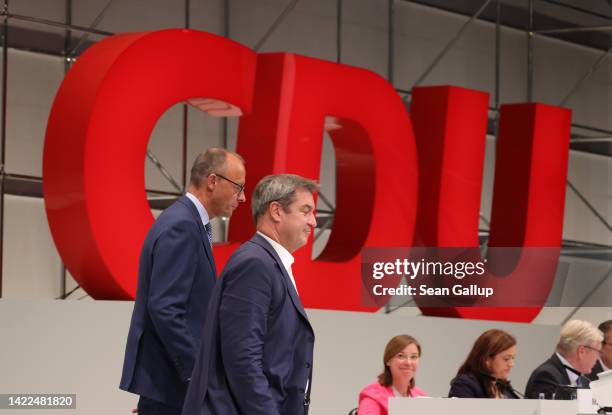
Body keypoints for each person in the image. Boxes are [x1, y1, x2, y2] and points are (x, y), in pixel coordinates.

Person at [120, 148, 246, 415]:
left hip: (171, 389)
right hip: (174, 388)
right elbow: (165, 308)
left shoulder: (188, 222)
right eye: (238, 187)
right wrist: (197, 374)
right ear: (212, 181)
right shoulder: (182, 225)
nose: (242, 198)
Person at [182, 174, 318, 415]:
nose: (313, 222)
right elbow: (243, 359)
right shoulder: (255, 264)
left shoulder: (269, 263)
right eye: (305, 211)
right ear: (276, 211)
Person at [525, 319, 603, 399]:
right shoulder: (546, 376)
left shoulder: (585, 381)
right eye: (597, 351)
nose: (598, 358)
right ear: (581, 351)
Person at [358, 335, 427, 415]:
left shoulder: (421, 396)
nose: (408, 363)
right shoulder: (373, 395)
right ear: (388, 361)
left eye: (414, 357)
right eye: (401, 356)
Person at [448, 329, 520, 399]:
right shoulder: (464, 385)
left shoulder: (505, 388)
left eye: (513, 358)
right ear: (487, 359)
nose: (511, 364)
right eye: (506, 359)